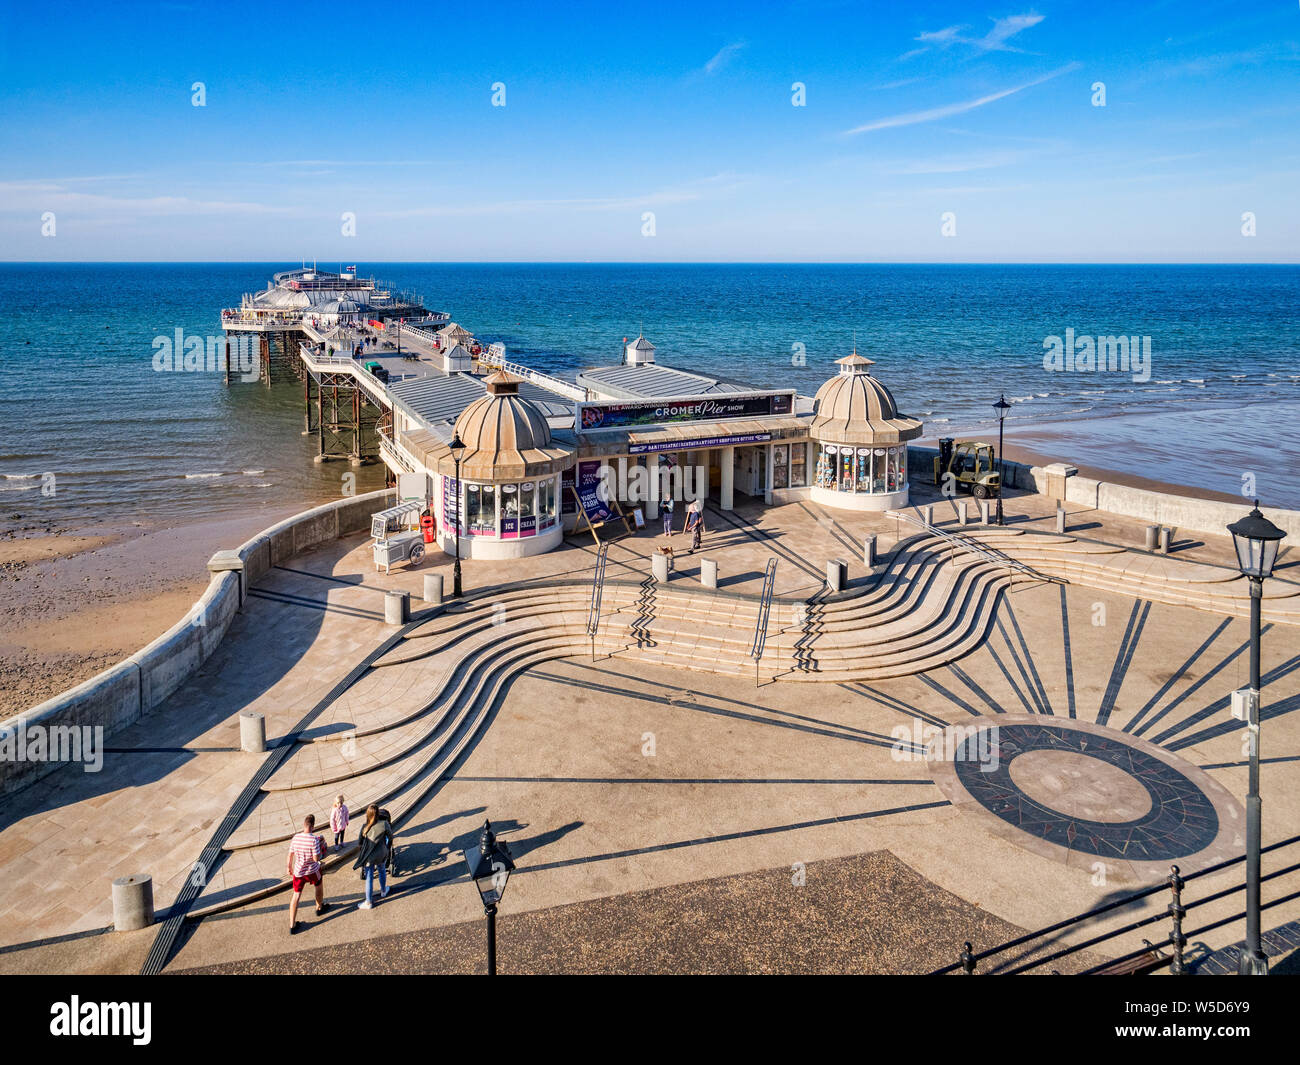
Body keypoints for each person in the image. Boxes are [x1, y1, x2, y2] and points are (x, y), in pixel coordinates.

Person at [287, 814, 329, 934]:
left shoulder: (295, 838)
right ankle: (319, 907)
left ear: (304, 825)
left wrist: (289, 867)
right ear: (313, 826)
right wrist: (320, 849)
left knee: (296, 895)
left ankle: (292, 925)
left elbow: (290, 854)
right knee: (318, 885)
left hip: (298, 872)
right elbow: (316, 859)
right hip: (312, 870)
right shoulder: (314, 839)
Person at [353, 804, 392, 910]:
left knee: (369, 877)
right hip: (381, 853)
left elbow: (360, 843)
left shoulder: (364, 827)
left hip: (369, 856)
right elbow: (390, 837)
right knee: (382, 870)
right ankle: (383, 891)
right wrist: (387, 848)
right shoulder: (384, 824)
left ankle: (369, 902)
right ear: (378, 813)